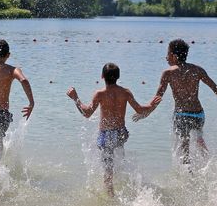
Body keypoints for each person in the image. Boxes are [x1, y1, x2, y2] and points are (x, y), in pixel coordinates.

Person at [133, 39, 217, 165]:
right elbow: (216, 89)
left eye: (168, 54)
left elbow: (158, 97)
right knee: (199, 141)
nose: (166, 57)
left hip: (182, 115)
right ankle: (211, 166)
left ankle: (189, 176)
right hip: (198, 115)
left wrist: (147, 112)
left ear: (174, 56)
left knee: (184, 149)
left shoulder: (168, 73)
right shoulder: (197, 70)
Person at [67, 63, 160, 197]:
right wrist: (152, 105)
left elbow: (87, 113)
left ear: (102, 76)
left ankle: (111, 197)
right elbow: (140, 110)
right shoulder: (125, 92)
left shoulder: (100, 94)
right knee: (119, 161)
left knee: (108, 169)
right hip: (122, 132)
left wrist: (75, 98)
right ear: (118, 77)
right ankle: (127, 187)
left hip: (106, 135)